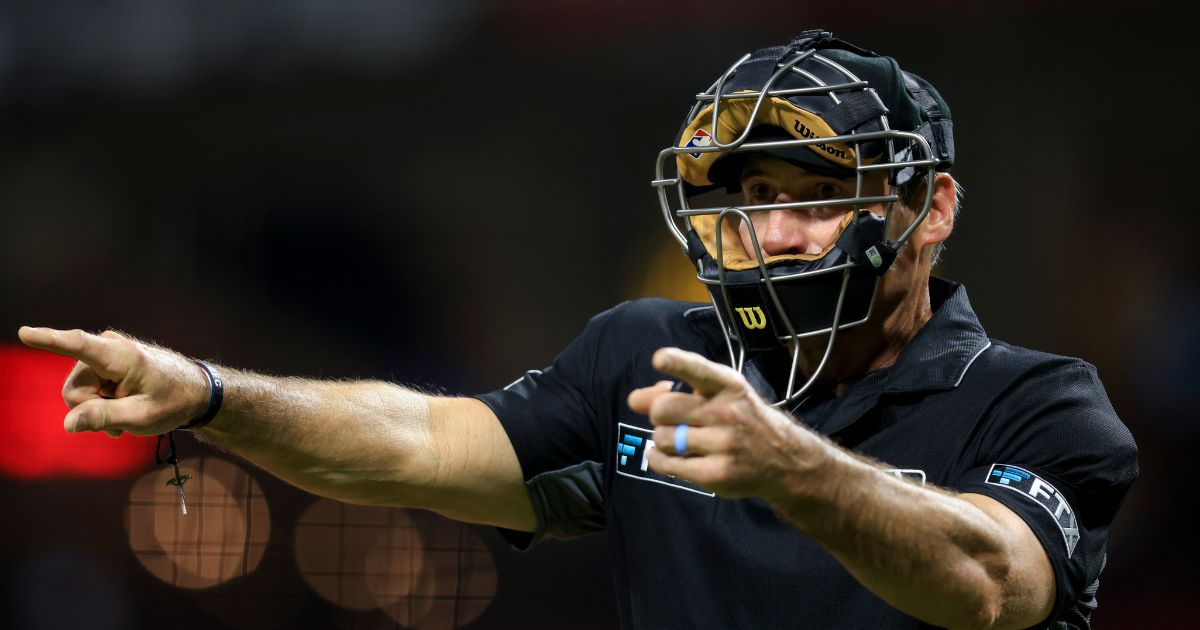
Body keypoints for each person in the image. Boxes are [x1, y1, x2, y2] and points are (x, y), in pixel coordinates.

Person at [18, 30, 1136, 630]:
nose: (776, 233)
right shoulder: (649, 360)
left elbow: (995, 586)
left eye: (817, 193)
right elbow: (417, 441)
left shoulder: (1040, 401)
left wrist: (792, 466)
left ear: (930, 208)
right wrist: (211, 390)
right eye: (745, 203)